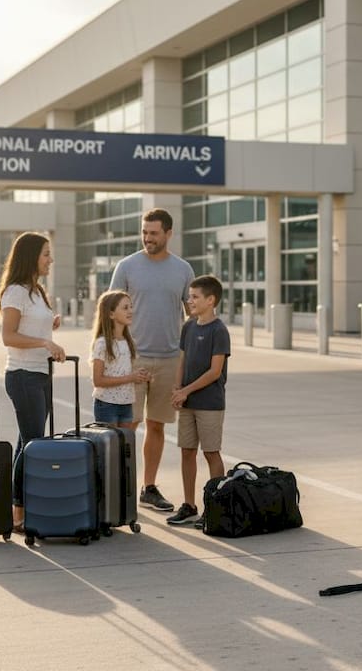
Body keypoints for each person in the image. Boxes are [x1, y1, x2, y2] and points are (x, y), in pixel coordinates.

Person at [109, 208, 195, 513]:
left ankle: (148, 487)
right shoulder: (127, 266)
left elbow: (192, 314)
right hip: (133, 359)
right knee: (128, 426)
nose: (148, 238)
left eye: (154, 233)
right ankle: (120, 488)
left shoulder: (183, 270)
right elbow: (110, 312)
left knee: (157, 426)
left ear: (169, 234)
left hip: (170, 359)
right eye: (145, 232)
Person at [0, 231, 66, 534]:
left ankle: (18, 509)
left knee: (28, 442)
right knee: (35, 444)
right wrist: (45, 342)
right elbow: (8, 336)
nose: (51, 260)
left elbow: (28, 327)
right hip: (23, 375)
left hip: (40, 374)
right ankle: (21, 512)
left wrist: (49, 326)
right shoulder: (15, 292)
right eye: (46, 254)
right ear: (31, 257)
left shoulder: (36, 290)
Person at [166, 274, 231, 526]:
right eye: (189, 296)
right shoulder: (189, 327)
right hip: (188, 402)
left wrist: (186, 391)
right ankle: (189, 505)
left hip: (210, 404)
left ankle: (214, 508)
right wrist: (177, 388)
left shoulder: (219, 331)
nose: (190, 301)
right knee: (187, 452)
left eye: (195, 297)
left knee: (211, 453)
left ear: (210, 300)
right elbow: (182, 360)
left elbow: (215, 372)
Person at [89, 290, 150, 430]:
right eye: (125, 308)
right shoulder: (102, 343)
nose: (130, 311)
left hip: (127, 404)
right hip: (106, 405)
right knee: (110, 449)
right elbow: (98, 381)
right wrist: (130, 378)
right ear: (111, 314)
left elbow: (125, 372)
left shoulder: (129, 342)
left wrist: (140, 376)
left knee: (124, 449)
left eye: (131, 307)